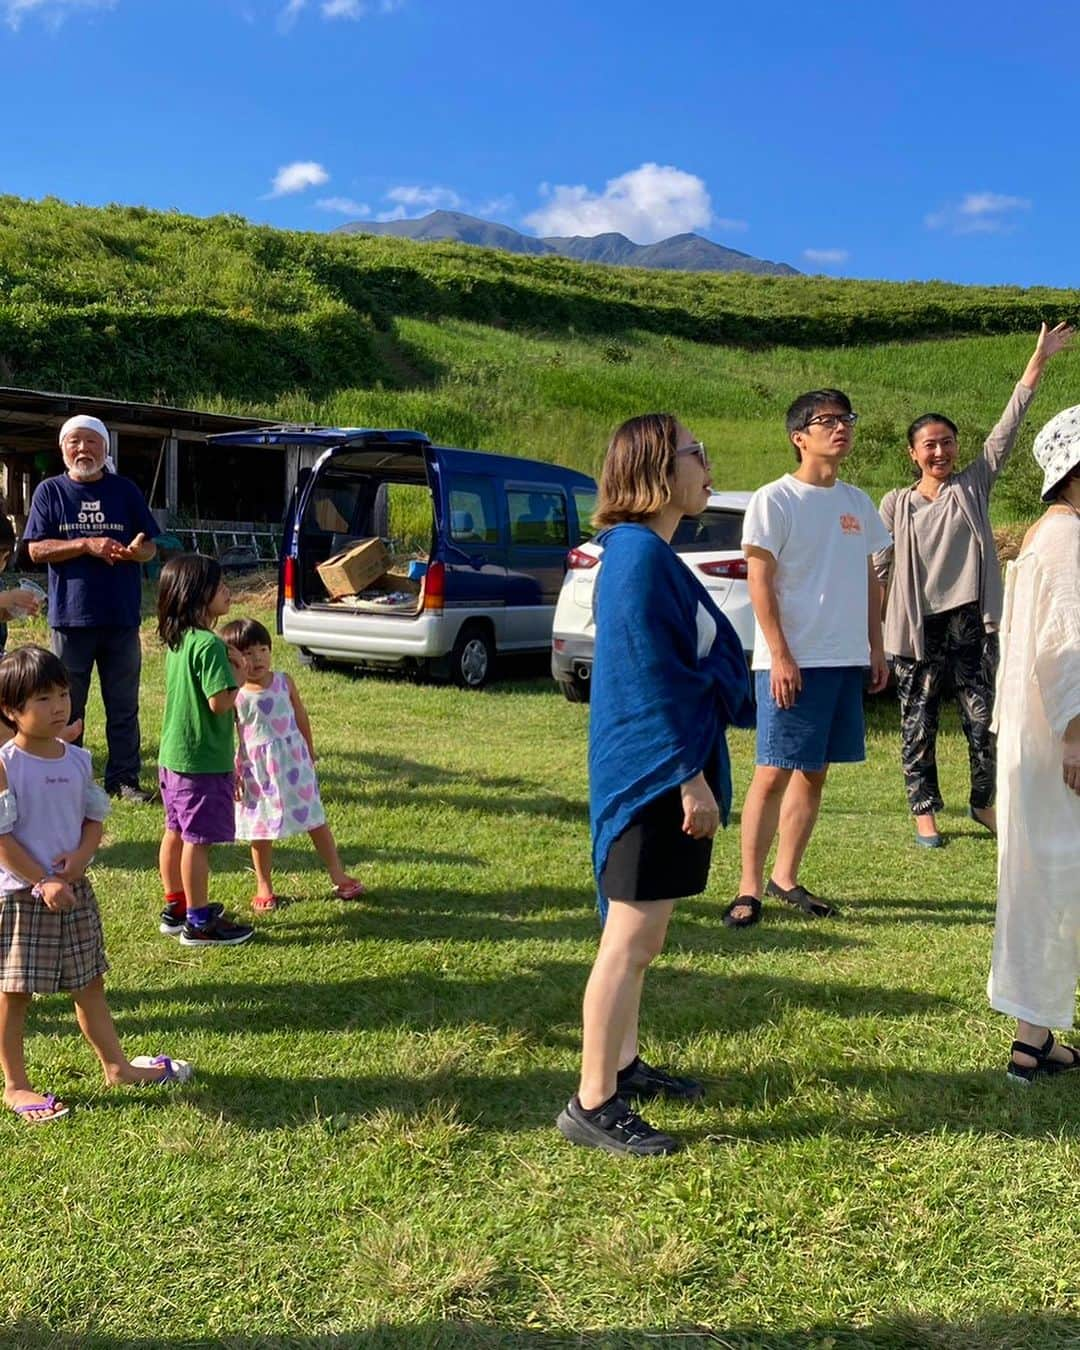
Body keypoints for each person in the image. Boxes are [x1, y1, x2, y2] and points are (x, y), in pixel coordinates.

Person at [556, 414, 753, 1157]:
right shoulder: (637, 557)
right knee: (628, 941)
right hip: (653, 775)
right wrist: (687, 778)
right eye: (695, 453)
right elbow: (647, 682)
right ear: (656, 471)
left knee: (643, 936)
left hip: (664, 770)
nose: (708, 463)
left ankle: (624, 1063)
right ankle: (592, 1099)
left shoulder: (647, 552)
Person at [875, 323, 1074, 846]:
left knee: (983, 721)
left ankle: (983, 803)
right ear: (912, 453)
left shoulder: (973, 484)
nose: (939, 452)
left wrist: (1039, 360)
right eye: (929, 446)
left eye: (946, 443)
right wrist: (878, 630)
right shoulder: (895, 505)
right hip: (917, 629)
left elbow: (1009, 426)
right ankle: (924, 813)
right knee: (918, 724)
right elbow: (879, 568)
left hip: (971, 622)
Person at [0, 645, 191, 1123]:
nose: (58, 705)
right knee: (14, 994)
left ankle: (118, 1067)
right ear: (10, 710)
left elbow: (93, 822)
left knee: (90, 984)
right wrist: (43, 880)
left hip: (74, 891)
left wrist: (79, 863)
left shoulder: (79, 760)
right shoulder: (5, 766)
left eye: (62, 693)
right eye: (43, 698)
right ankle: (16, 1085)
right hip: (23, 897)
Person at [727, 389, 891, 928]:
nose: (841, 427)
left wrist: (875, 643)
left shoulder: (857, 503)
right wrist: (779, 655)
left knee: (814, 772)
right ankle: (748, 888)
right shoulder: (774, 499)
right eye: (828, 420)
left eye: (847, 418)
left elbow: (869, 577)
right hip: (791, 660)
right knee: (773, 771)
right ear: (800, 437)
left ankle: (786, 877)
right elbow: (760, 578)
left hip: (842, 659)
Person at [988, 405, 1080, 1083]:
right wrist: (1076, 733)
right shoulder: (1069, 538)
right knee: (1055, 881)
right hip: (1059, 740)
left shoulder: (1047, 535)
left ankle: (1033, 1040)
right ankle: (1031, 1037)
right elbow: (1065, 647)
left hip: (1033, 737)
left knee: (1039, 881)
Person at [23, 414, 160, 803]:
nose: (83, 449)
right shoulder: (50, 492)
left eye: (91, 442)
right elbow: (35, 549)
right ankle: (67, 779)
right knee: (65, 706)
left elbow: (149, 545)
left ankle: (124, 781)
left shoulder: (125, 491)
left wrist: (138, 553)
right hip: (71, 619)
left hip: (121, 617)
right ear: (63, 449)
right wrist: (86, 544)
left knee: (123, 706)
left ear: (105, 448)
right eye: (75, 442)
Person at [220, 617, 365, 911]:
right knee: (260, 831)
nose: (257, 658)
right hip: (256, 771)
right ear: (234, 660)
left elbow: (300, 716)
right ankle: (264, 884)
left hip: (294, 764)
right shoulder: (235, 695)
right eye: (247, 653)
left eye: (263, 649)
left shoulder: (285, 681)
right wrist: (231, 772)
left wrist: (309, 752)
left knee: (315, 819)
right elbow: (226, 735)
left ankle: (337, 873)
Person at [156, 555, 254, 948]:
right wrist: (241, 676)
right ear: (198, 594)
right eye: (221, 585)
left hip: (173, 758)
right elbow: (219, 702)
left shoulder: (179, 641)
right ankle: (198, 922)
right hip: (201, 761)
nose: (228, 591)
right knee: (198, 841)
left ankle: (175, 907)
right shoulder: (210, 644)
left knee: (175, 832)